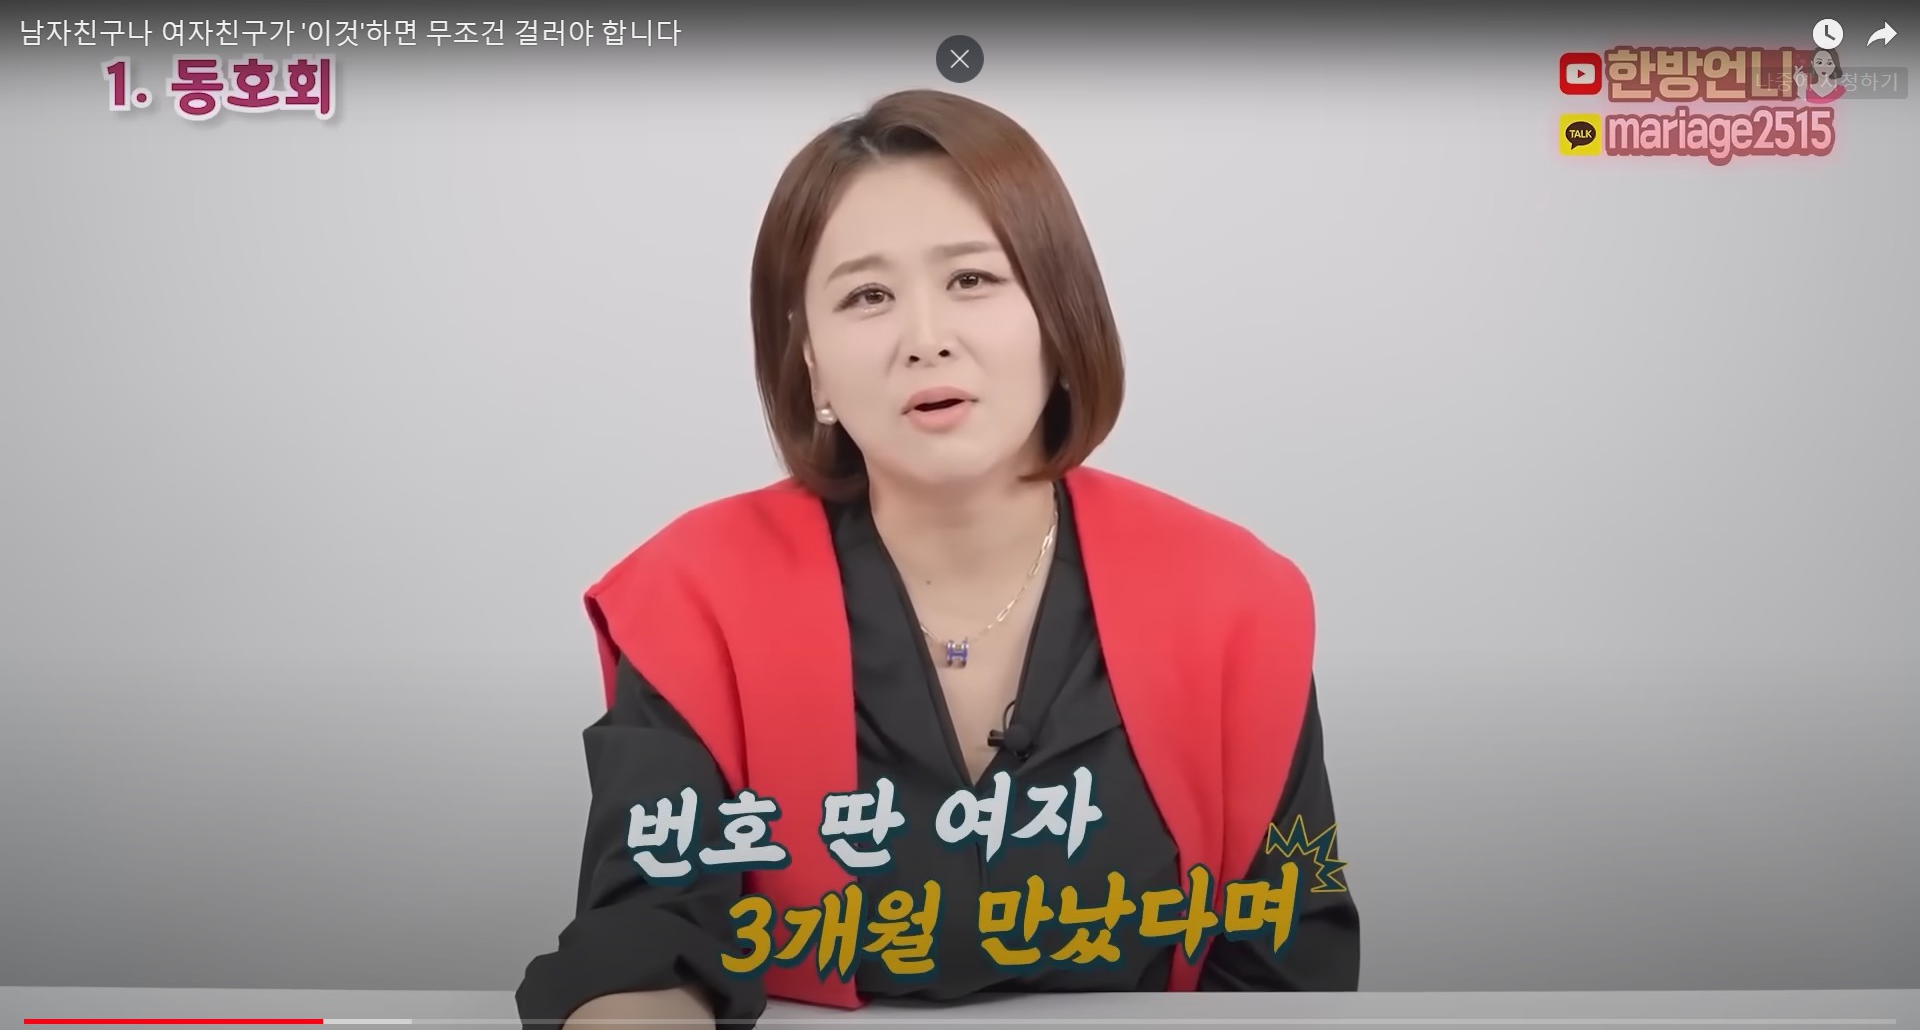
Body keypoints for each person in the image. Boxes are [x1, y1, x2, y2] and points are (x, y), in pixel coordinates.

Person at [515, 89, 1361, 1029]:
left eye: (972, 280)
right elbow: (643, 936)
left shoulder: (1232, 601)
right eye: (867, 297)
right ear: (811, 364)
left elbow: (1287, 964)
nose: (926, 340)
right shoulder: (695, 596)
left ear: (1059, 318)